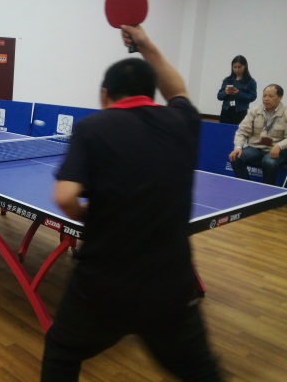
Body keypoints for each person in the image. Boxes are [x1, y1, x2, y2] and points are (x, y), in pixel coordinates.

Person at [41, 25, 223, 382]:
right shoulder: (183, 121)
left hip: (104, 284)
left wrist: (85, 215)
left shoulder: (93, 128)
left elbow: (64, 196)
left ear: (105, 94)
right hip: (169, 283)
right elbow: (178, 91)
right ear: (151, 91)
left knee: (63, 351)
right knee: (201, 372)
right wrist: (145, 43)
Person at [228, 84, 287, 185]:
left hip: (278, 150)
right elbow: (242, 131)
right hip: (256, 148)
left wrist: (279, 146)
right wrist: (238, 147)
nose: (266, 99)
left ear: (280, 97)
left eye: (270, 96)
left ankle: (267, 190)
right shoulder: (254, 111)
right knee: (236, 158)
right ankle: (245, 186)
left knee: (269, 162)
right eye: (264, 96)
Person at [216, 55, 257, 124]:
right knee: (223, 129)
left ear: (245, 66)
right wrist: (225, 92)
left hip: (240, 111)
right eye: (234, 67)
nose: (237, 69)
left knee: (239, 130)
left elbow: (252, 97)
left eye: (239, 67)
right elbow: (219, 96)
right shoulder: (227, 80)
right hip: (226, 110)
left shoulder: (251, 81)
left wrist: (238, 94)